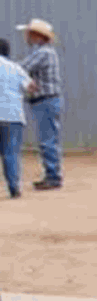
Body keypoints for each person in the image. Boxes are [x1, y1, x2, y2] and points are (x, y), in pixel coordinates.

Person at [16, 18, 62, 190]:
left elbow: (22, 68)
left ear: (37, 35)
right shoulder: (45, 52)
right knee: (49, 137)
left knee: (47, 139)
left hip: (46, 100)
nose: (26, 37)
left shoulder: (43, 53)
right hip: (48, 100)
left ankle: (53, 176)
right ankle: (52, 174)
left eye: (29, 33)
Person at [0, 38, 35, 199]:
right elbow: (31, 87)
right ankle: (14, 188)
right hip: (13, 116)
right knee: (11, 153)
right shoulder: (16, 68)